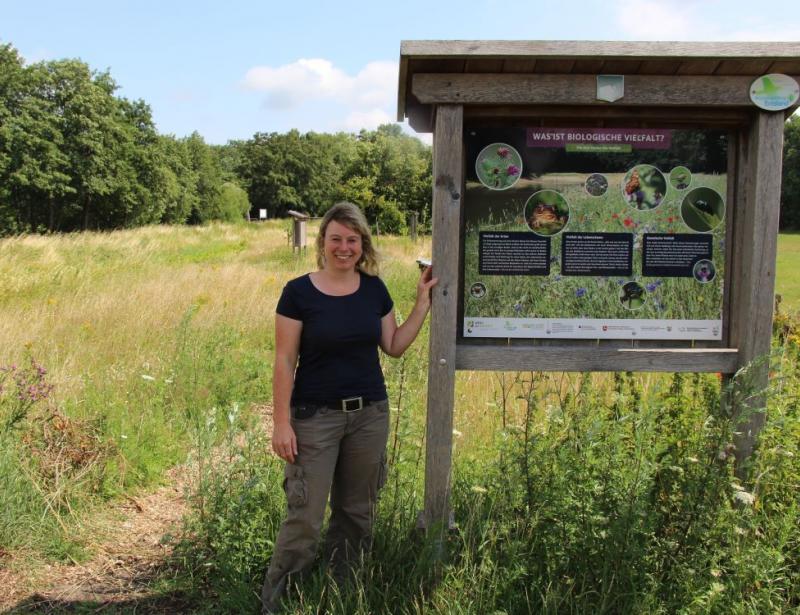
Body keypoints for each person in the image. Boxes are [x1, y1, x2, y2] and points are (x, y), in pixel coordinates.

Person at [261, 202, 437, 613]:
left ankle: (343, 593)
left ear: (363, 244)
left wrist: (421, 305)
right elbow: (284, 361)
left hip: (369, 416)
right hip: (313, 418)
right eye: (336, 238)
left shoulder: (374, 289)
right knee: (305, 516)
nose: (344, 247)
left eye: (352, 240)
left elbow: (393, 347)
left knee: (357, 512)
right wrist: (281, 423)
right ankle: (281, 603)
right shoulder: (297, 293)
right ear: (322, 242)